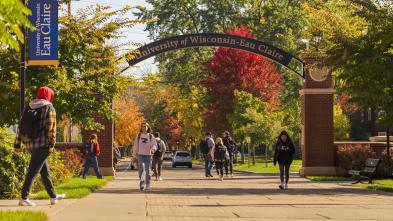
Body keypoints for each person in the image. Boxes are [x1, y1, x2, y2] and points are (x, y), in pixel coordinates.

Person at [13, 86, 65, 206]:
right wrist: (52, 144)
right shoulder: (49, 107)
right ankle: (23, 197)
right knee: (33, 171)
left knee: (44, 172)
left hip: (30, 144)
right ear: (49, 95)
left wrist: (17, 144)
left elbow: (20, 127)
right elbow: (51, 128)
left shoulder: (29, 106)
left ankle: (53, 196)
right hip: (43, 145)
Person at [133, 122, 157, 191]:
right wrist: (134, 156)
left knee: (148, 170)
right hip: (140, 155)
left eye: (145, 126)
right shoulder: (138, 136)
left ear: (148, 127)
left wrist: (153, 149)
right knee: (142, 169)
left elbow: (154, 145)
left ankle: (148, 184)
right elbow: (135, 146)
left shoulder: (151, 136)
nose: (144, 127)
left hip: (148, 155)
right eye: (143, 126)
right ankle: (142, 183)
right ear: (141, 127)